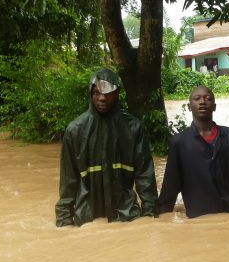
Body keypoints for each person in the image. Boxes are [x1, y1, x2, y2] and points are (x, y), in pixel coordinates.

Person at [55, 68, 158, 226]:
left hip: (126, 215)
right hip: (87, 217)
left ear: (117, 93)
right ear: (90, 94)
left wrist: (150, 215)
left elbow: (145, 176)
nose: (102, 98)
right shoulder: (75, 131)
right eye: (97, 93)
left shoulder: (133, 128)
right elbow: (68, 183)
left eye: (108, 93)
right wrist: (64, 222)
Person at [158, 85, 229, 218]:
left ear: (215, 106)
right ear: (189, 107)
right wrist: (161, 217)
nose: (202, 102)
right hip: (200, 217)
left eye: (208, 98)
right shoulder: (179, 142)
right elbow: (170, 186)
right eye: (197, 98)